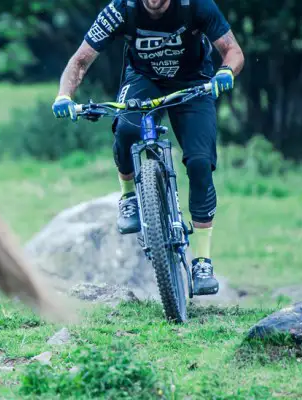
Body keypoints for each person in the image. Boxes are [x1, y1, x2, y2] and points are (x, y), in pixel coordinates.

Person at [51, 0, 244, 295]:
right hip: (143, 80)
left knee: (199, 162)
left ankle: (202, 260)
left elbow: (233, 51)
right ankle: (129, 197)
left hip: (193, 82)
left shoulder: (196, 6)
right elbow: (80, 60)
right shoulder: (121, 9)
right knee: (126, 129)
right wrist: (64, 95)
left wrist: (225, 73)